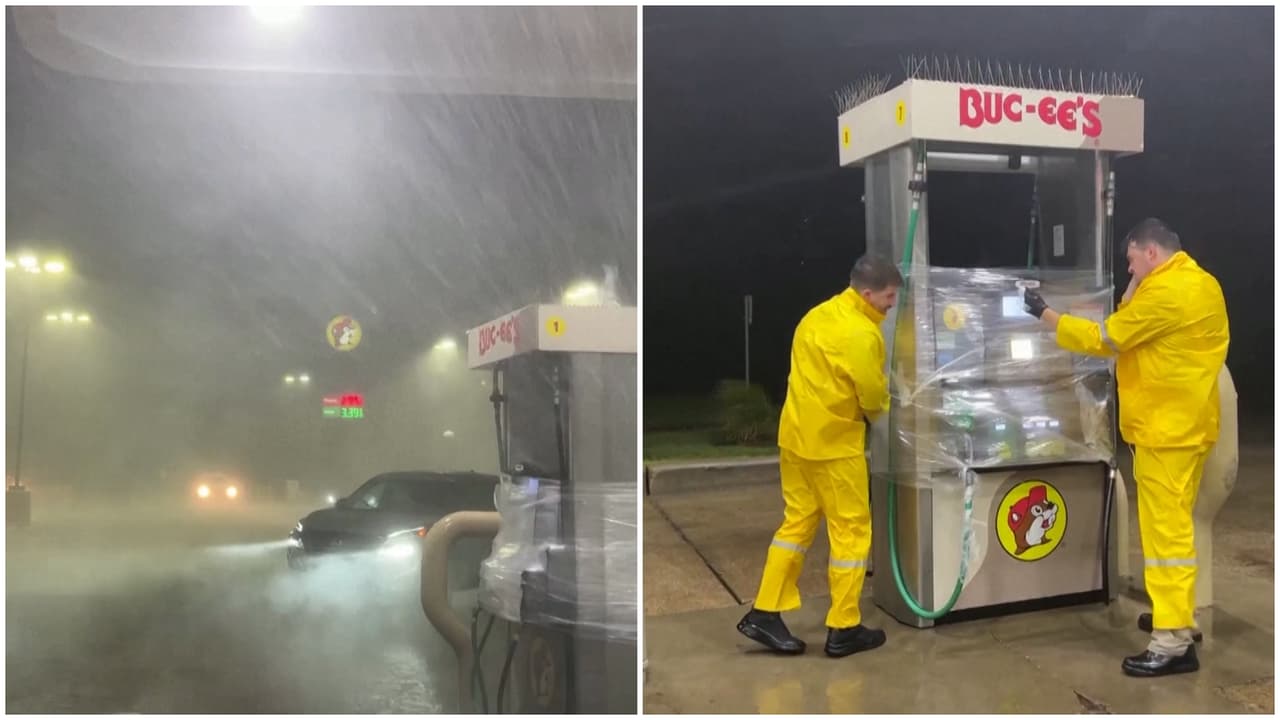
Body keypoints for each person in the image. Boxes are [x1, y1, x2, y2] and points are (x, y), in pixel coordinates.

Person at [1023, 218, 1229, 678]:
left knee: (1166, 536)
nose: (1129, 268)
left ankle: (1172, 642)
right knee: (1172, 529)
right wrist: (1138, 279)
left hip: (1165, 431)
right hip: (1189, 425)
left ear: (1151, 253)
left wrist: (1046, 316)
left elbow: (1108, 337)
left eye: (1132, 260)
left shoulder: (1166, 294)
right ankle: (1176, 616)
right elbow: (1132, 323)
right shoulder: (1201, 283)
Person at [737, 254, 901, 658]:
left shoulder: (816, 316)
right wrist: (893, 409)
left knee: (796, 525)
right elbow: (873, 395)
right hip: (833, 446)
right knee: (851, 531)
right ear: (867, 293)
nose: (891, 304)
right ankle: (844, 627)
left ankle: (764, 611)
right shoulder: (862, 334)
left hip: (795, 440)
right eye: (888, 297)